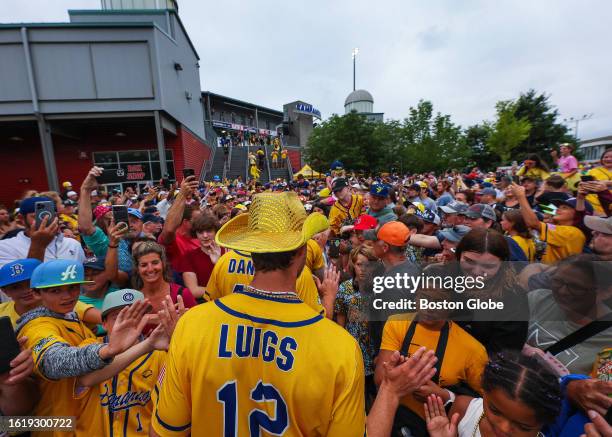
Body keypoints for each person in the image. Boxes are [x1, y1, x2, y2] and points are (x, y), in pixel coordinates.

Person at [151, 191, 366, 436]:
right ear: (300, 252)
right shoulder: (341, 348)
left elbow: (164, 431)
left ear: (252, 250)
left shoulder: (192, 325)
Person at [17, 259, 149, 437]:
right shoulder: (37, 326)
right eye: (55, 290)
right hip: (57, 426)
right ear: (36, 293)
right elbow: (54, 361)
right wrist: (106, 351)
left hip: (78, 421)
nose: (67, 296)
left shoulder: (68, 315)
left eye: (73, 287)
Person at [377, 272, 488, 436]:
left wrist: (443, 396)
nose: (428, 306)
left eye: (437, 301)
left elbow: (486, 405)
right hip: (391, 420)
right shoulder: (396, 324)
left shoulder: (473, 350)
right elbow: (380, 380)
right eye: (423, 297)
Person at [74, 289, 178, 437]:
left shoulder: (159, 356)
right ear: (104, 323)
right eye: (119, 316)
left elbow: (166, 413)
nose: (128, 322)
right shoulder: (88, 346)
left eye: (135, 315)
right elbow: (86, 378)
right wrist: (147, 344)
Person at [425, 351, 562, 437]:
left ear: (543, 424)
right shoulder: (464, 410)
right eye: (495, 411)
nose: (504, 428)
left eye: (523, 427)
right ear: (484, 392)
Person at [525, 254, 612, 375]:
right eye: (557, 281)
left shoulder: (607, 339)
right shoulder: (538, 299)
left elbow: (602, 390)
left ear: (605, 292)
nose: (562, 291)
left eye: (576, 287)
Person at [335, 244, 381, 407]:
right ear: (353, 265)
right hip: (354, 350)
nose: (363, 269)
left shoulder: (381, 288)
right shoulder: (345, 289)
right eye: (359, 264)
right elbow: (341, 323)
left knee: (376, 396)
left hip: (375, 350)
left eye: (368, 265)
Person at [0, 196, 85, 268]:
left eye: (50, 216)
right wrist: (38, 245)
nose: (45, 221)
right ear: (21, 219)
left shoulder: (72, 244)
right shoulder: (5, 247)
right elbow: (20, 285)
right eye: (36, 217)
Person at [512, 183, 587, 264]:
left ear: (576, 214)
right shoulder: (558, 228)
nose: (557, 210)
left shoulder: (572, 232)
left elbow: (533, 223)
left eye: (564, 208)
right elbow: (535, 222)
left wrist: (521, 197)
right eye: (558, 207)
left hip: (560, 274)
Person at [132, 241, 197, 314]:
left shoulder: (183, 294)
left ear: (163, 264)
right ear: (137, 269)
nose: (150, 269)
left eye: (155, 263)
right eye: (144, 265)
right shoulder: (133, 300)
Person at [158, 175, 201, 277]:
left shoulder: (202, 238)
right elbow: (168, 230)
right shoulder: (174, 242)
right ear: (186, 222)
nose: (202, 223)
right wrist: (182, 194)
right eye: (198, 220)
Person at [177, 213, 223, 299]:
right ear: (196, 234)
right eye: (200, 232)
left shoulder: (228, 252)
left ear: (216, 232)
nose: (205, 236)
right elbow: (193, 291)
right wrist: (223, 292)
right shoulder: (189, 257)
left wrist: (218, 262)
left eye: (209, 231)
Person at [585, 148, 612, 215]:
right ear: (602, 159)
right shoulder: (593, 171)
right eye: (606, 157)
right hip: (591, 204)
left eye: (611, 157)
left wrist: (608, 183)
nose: (608, 159)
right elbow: (585, 184)